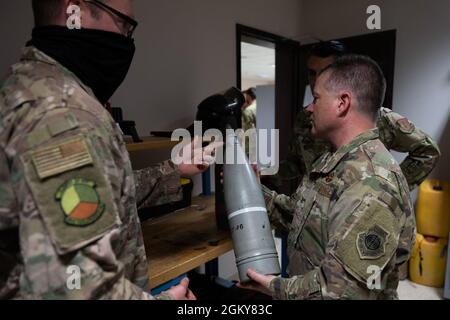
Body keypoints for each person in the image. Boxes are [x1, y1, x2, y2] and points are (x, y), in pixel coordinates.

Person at [0, 0, 218, 300]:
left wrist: (173, 169)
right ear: (73, 11)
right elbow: (75, 285)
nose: (127, 40)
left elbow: (100, 196)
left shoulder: (36, 88)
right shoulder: (60, 117)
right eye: (123, 25)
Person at [240, 55, 416, 299]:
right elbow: (301, 219)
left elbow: (339, 290)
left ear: (342, 103)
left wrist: (274, 287)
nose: (310, 107)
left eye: (316, 98)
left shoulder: (372, 185)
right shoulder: (332, 161)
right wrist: (251, 188)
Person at [265, 41, 440, 194]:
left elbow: (427, 151)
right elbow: (297, 162)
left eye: (325, 71)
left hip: (358, 213)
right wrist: (264, 174)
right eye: (312, 73)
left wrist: (390, 188)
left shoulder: (379, 118)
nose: (317, 79)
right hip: (319, 213)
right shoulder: (306, 118)